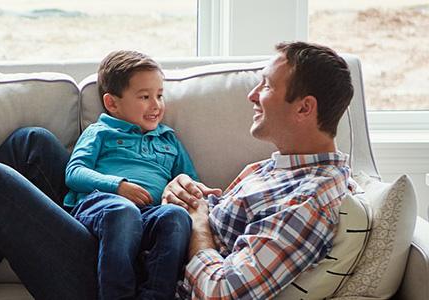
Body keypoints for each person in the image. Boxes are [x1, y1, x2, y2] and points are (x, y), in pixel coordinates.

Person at [163, 41, 358, 299]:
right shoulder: (274, 168)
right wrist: (186, 195)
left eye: (266, 85)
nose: (252, 95)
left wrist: (197, 223)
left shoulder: (309, 201)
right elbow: (215, 224)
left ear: (304, 108)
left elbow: (221, 293)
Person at [64, 50, 194, 300]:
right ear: (112, 103)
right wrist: (119, 186)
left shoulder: (169, 139)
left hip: (149, 214)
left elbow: (188, 180)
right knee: (123, 211)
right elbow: (74, 172)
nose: (156, 105)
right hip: (102, 207)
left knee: (176, 216)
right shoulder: (100, 131)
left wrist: (192, 192)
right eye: (144, 96)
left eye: (159, 95)